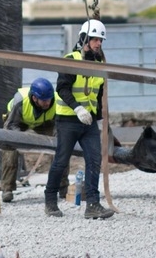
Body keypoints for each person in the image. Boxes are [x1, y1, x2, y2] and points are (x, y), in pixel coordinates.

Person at [44, 19, 114, 220]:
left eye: (100, 40)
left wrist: (98, 118)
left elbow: (98, 94)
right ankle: (50, 201)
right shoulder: (71, 59)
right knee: (61, 161)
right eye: (94, 39)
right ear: (84, 38)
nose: (98, 44)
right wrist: (77, 108)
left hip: (88, 121)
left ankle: (93, 204)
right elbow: (62, 89)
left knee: (94, 159)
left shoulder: (99, 65)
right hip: (67, 119)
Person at [0, 77, 58, 202]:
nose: (48, 103)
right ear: (34, 98)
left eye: (49, 99)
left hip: (45, 123)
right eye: (44, 100)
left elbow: (60, 126)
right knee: (9, 150)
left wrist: (58, 140)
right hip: (19, 122)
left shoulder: (56, 101)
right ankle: (7, 189)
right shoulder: (20, 101)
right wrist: (22, 140)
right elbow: (11, 126)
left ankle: (62, 187)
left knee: (62, 148)